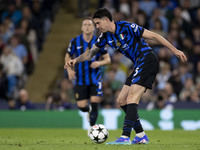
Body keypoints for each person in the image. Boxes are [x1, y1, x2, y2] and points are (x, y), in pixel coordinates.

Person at [65, 8, 187, 145]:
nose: (96, 27)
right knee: (121, 100)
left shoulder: (126, 26)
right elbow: (91, 52)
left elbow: (154, 36)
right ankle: (141, 135)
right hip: (138, 64)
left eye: (98, 23)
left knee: (131, 98)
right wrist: (75, 60)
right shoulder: (105, 36)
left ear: (106, 20)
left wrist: (174, 50)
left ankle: (125, 137)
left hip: (147, 60)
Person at [64, 17, 111, 129]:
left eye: (90, 25)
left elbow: (108, 59)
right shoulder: (75, 41)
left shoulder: (99, 41)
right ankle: (88, 110)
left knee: (95, 102)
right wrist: (69, 70)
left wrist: (99, 63)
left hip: (95, 78)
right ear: (81, 27)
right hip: (80, 78)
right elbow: (67, 56)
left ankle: (92, 128)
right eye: (85, 25)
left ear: (94, 27)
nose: (87, 27)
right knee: (81, 106)